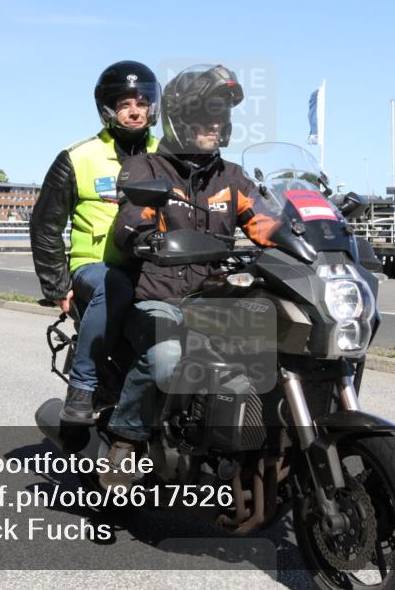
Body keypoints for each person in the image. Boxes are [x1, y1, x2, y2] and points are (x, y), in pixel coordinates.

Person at [99, 64, 281, 488]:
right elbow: (129, 223)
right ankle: (125, 439)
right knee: (167, 357)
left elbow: (266, 225)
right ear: (180, 119)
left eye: (221, 116)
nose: (215, 125)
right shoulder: (146, 169)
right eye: (205, 116)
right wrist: (145, 239)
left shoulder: (233, 177)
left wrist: (312, 240)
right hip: (160, 298)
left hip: (216, 302)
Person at [31, 61, 161, 423]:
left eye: (141, 102)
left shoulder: (170, 155)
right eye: (124, 104)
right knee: (114, 284)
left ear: (153, 106)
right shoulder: (78, 157)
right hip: (96, 267)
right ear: (108, 109)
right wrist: (57, 285)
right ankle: (83, 386)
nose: (134, 110)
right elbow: (45, 224)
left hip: (158, 266)